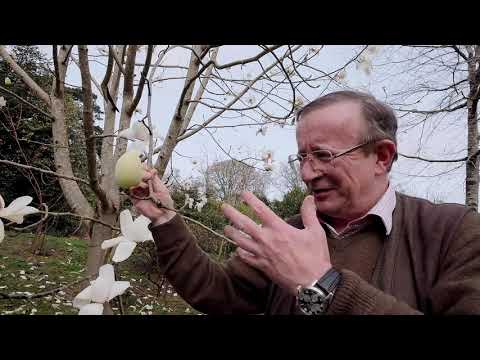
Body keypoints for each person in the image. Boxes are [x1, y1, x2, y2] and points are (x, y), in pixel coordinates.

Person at [130, 90, 480, 315]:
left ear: (382, 157)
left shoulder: (452, 232)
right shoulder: (287, 234)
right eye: (301, 157)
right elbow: (215, 292)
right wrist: (164, 220)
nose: (307, 174)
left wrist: (322, 285)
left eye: (324, 155)